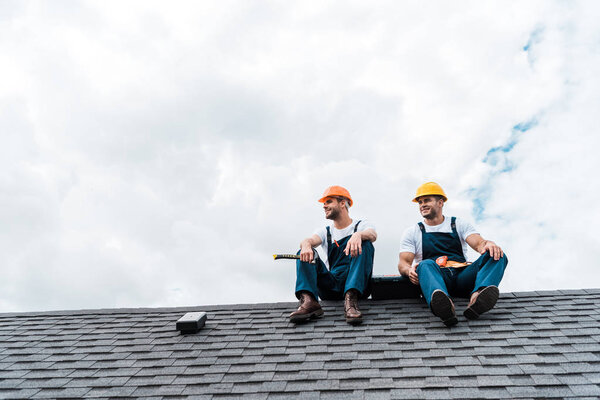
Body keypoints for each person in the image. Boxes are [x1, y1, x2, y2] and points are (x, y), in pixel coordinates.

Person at [398, 182, 508, 327]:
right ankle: (444, 305)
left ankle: (478, 296)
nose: (422, 205)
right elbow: (403, 263)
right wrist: (409, 270)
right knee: (424, 264)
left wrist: (489, 244)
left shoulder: (458, 224)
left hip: (462, 276)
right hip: (437, 278)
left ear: (440, 202)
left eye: (427, 200)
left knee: (497, 254)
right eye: (420, 202)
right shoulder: (413, 232)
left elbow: (480, 244)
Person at [290, 186, 377, 325]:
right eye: (324, 203)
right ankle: (309, 301)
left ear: (343, 203)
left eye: (329, 202)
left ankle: (351, 301)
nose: (324, 206)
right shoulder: (325, 231)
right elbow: (310, 240)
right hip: (333, 285)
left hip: (357, 284)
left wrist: (358, 235)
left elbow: (372, 235)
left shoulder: (361, 225)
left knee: (366, 244)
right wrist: (306, 245)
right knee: (304, 253)